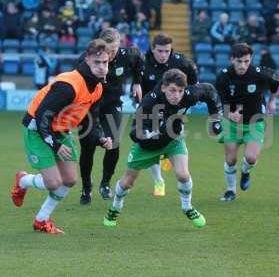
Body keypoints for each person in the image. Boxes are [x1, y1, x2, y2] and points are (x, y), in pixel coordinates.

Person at [11, 39, 113, 234]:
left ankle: (41, 220)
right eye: (97, 63)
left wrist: (100, 138)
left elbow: (90, 120)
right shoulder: (69, 84)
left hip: (60, 130)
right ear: (87, 60)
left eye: (105, 63)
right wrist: (56, 144)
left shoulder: (98, 87)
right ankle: (23, 180)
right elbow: (42, 116)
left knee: (69, 179)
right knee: (53, 182)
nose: (102, 67)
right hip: (38, 129)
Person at [103, 68, 223, 228]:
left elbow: (209, 91)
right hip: (146, 146)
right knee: (127, 183)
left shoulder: (189, 95)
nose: (177, 95)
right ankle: (115, 207)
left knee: (183, 175)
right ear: (164, 87)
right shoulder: (150, 102)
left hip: (173, 140)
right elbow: (134, 132)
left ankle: (187, 207)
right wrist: (147, 134)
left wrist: (216, 118)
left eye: (180, 91)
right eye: (172, 90)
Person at [78, 28, 144, 205]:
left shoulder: (127, 55)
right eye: (109, 50)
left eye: (115, 49)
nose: (112, 54)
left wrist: (137, 82)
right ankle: (86, 187)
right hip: (89, 107)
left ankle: (105, 183)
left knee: (113, 144)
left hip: (113, 105)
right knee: (88, 147)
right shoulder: (87, 61)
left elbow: (139, 60)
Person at [216, 43, 279, 201]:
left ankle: (245, 172)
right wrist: (229, 114)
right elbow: (218, 101)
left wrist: (272, 101)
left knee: (251, 158)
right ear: (232, 60)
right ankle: (231, 190)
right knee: (231, 160)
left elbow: (276, 81)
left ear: (251, 59)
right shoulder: (223, 77)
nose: (243, 65)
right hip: (231, 124)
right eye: (239, 61)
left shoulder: (259, 74)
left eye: (246, 61)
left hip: (254, 121)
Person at [139, 33, 198, 196]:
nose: (164, 55)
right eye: (160, 51)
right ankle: (159, 181)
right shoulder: (144, 62)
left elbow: (193, 76)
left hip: (174, 107)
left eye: (167, 51)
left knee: (176, 135)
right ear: (153, 49)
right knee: (152, 140)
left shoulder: (180, 61)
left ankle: (168, 154)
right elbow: (140, 85)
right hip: (153, 107)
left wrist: (190, 94)